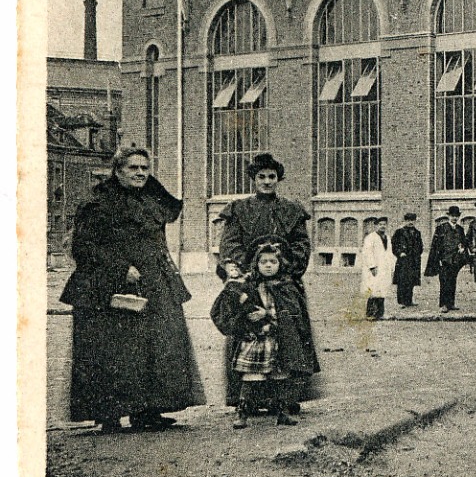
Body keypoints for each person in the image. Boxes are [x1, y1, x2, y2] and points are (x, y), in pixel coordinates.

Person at [60, 145, 205, 433]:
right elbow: (83, 246)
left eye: (145, 168)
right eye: (133, 168)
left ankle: (147, 412)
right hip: (104, 285)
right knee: (111, 351)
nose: (140, 173)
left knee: (155, 345)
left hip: (151, 281)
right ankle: (109, 415)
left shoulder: (150, 198)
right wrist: (120, 269)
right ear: (117, 171)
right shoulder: (98, 202)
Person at [216, 152, 320, 411]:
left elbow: (301, 245)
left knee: (288, 338)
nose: (267, 181)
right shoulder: (239, 209)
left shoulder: (291, 210)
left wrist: (282, 265)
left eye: (272, 177)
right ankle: (249, 399)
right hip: (251, 285)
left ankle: (283, 399)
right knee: (250, 337)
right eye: (261, 177)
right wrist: (249, 269)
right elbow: (230, 245)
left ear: (278, 179)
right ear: (253, 179)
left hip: (283, 285)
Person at [211, 243, 315, 428]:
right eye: (263, 261)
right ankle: (242, 414)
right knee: (252, 377)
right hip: (256, 340)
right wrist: (247, 317)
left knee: (280, 377)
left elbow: (293, 314)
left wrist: (266, 315)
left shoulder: (286, 287)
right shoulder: (248, 287)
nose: (268, 265)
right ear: (256, 264)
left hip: (278, 340)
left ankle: (282, 413)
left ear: (280, 264)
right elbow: (233, 309)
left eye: (273, 261)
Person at [424, 210, 467, 313]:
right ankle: (443, 304)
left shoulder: (460, 229)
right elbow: (435, 245)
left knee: (452, 281)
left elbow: (464, 242)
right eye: (452, 216)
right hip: (444, 260)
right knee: (444, 282)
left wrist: (462, 248)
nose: (454, 218)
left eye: (456, 216)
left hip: (455, 260)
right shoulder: (441, 228)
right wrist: (437, 260)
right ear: (449, 216)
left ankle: (451, 304)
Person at [358, 217, 391, 321]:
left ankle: (380, 313)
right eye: (380, 224)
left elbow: (389, 253)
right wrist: (372, 266)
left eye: (384, 224)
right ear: (376, 225)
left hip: (384, 268)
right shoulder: (371, 238)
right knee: (373, 291)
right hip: (374, 268)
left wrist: (391, 266)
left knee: (382, 290)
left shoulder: (387, 237)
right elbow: (367, 253)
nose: (382, 226)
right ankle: (370, 313)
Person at [391, 213, 424, 308]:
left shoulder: (417, 233)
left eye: (412, 220)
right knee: (402, 280)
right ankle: (401, 302)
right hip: (403, 260)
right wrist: (399, 253)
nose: (410, 222)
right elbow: (394, 245)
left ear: (415, 221)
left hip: (414, 260)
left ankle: (409, 301)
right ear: (405, 221)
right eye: (408, 220)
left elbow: (420, 246)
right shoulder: (399, 232)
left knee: (411, 281)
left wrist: (417, 253)